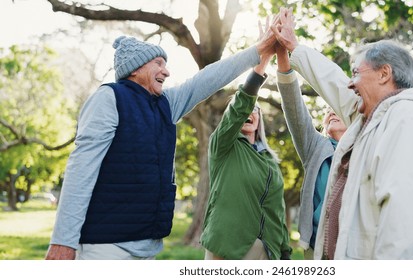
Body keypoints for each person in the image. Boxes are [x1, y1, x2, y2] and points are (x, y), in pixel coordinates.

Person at [45, 31, 277, 260]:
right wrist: (63, 240)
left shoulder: (167, 103)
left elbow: (207, 78)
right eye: (158, 63)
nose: (166, 71)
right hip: (105, 247)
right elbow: (81, 169)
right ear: (135, 68)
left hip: (148, 248)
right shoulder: (108, 98)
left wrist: (259, 50)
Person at [272, 7, 413, 259]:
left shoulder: (408, 121)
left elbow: (403, 229)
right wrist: (294, 47)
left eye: (356, 73)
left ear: (384, 74)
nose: (350, 82)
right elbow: (337, 85)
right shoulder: (376, 118)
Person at [200, 34, 291, 260]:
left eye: (255, 111)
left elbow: (276, 211)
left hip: (264, 251)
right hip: (226, 246)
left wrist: (285, 252)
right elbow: (241, 105)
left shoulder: (270, 161)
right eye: (244, 109)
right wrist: (264, 57)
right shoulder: (223, 146)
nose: (249, 113)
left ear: (259, 120)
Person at [275, 41, 346, 259]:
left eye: (338, 108)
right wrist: (283, 59)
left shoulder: (363, 146)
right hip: (316, 248)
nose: (332, 112)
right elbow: (294, 107)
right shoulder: (316, 147)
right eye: (328, 110)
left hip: (352, 247)